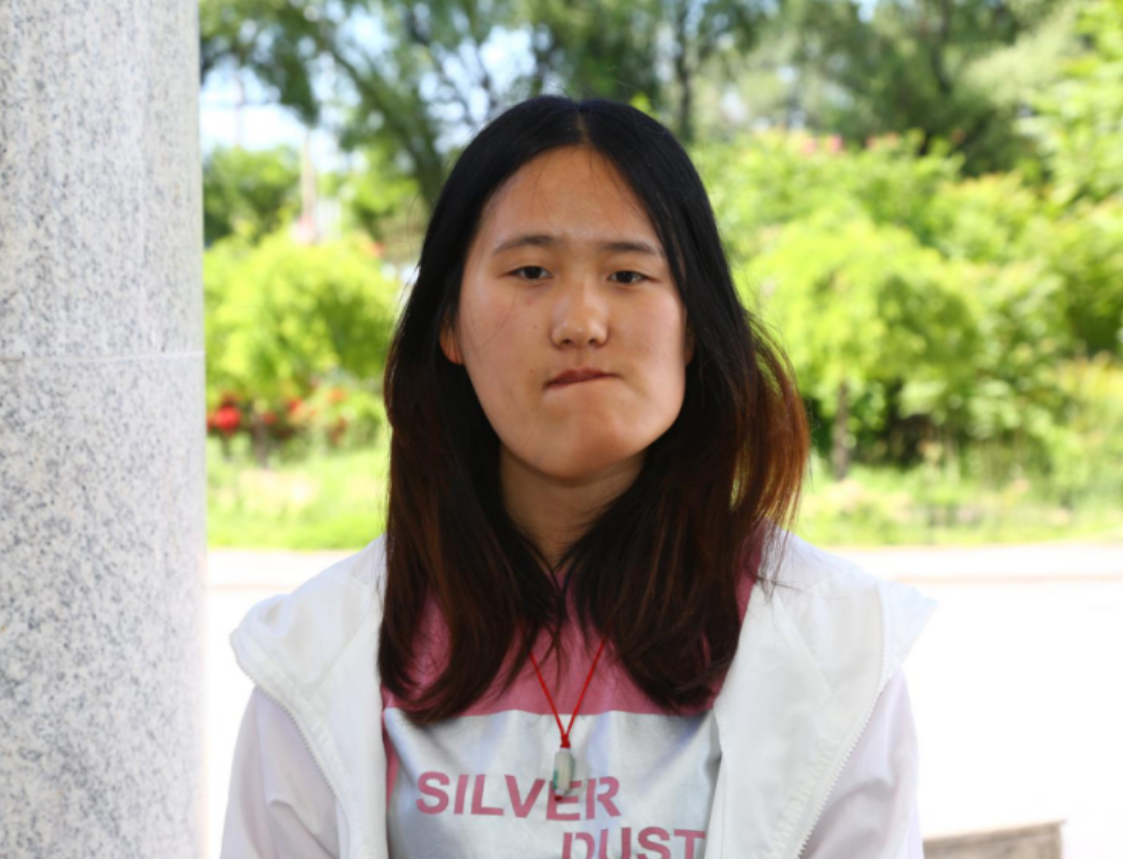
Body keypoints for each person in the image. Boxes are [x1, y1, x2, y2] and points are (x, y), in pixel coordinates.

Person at [219, 95, 938, 859]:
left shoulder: (837, 652)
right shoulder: (317, 660)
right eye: (530, 270)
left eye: (628, 274)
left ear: (692, 324)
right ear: (449, 321)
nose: (581, 322)